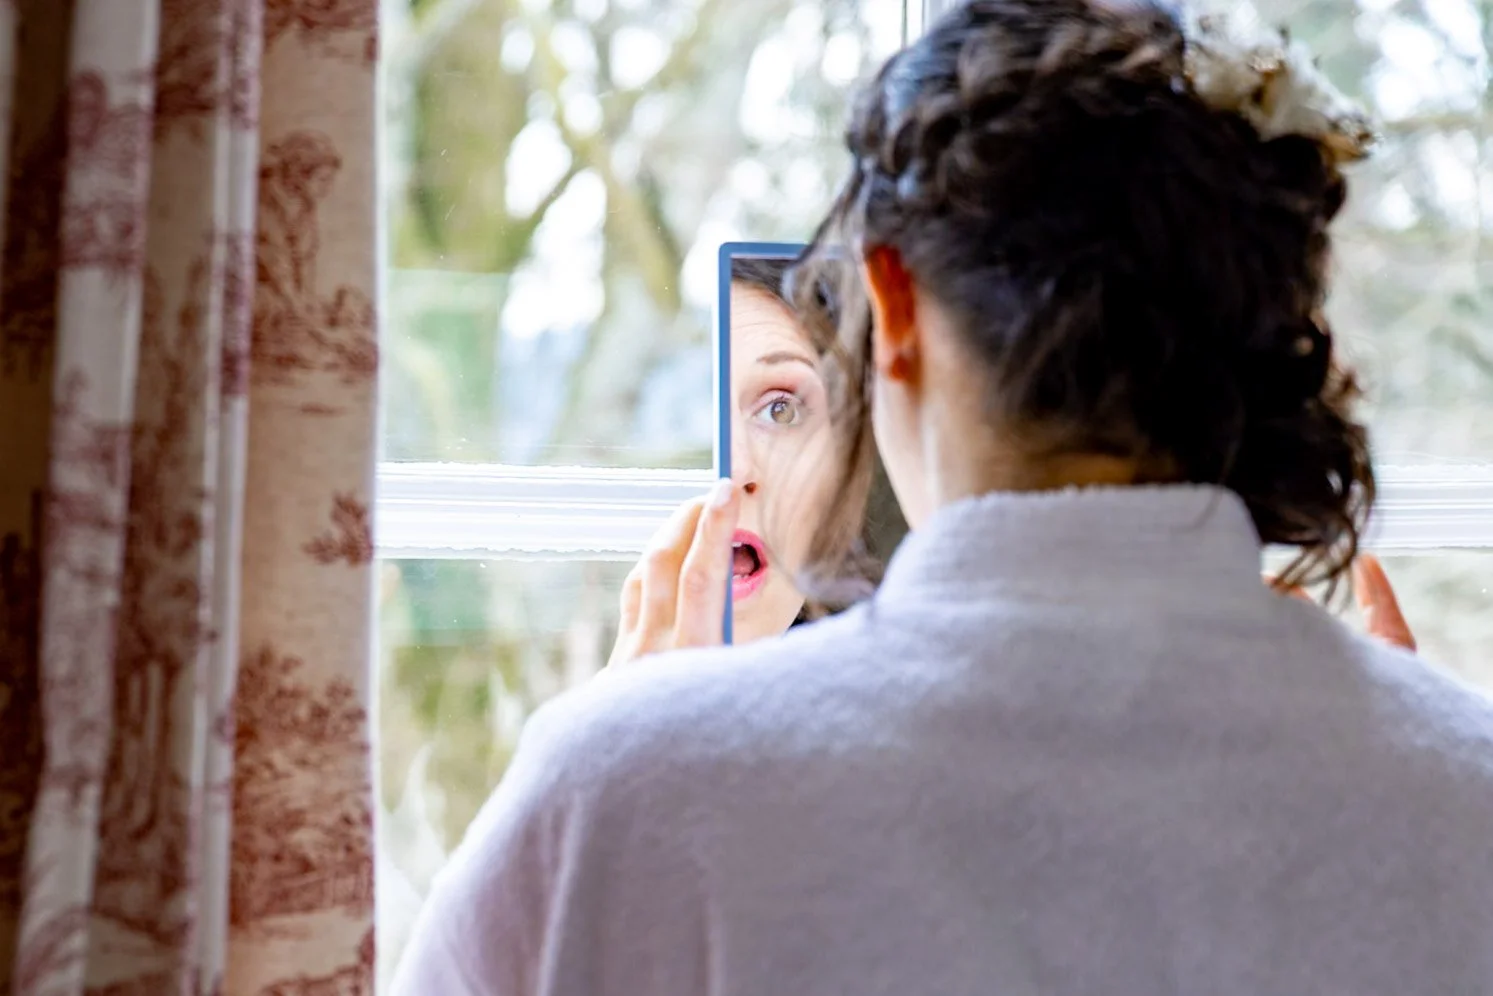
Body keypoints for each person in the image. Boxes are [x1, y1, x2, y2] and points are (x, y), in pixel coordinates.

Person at [394, 2, 1493, 993]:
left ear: (892, 303)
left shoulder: (631, 792)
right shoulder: (1459, 798)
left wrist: (623, 764)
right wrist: (1424, 777)